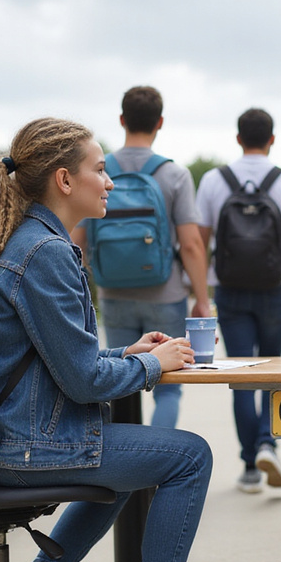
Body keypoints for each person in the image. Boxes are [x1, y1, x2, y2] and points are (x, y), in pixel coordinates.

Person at [0, 117, 240, 562]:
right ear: (64, 180)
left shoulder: (27, 241)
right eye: (99, 170)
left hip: (5, 440)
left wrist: (126, 356)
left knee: (138, 452)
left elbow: (58, 359)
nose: (110, 182)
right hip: (22, 446)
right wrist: (151, 365)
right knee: (188, 456)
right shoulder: (46, 253)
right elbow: (80, 380)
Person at [196, 107, 281, 494]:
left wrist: (199, 294)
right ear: (272, 139)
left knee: (243, 377)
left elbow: (198, 242)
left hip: (229, 288)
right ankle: (268, 442)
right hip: (277, 288)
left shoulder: (215, 181)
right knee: (272, 370)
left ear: (237, 138)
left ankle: (250, 467)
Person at [71, 86, 210, 428]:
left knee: (120, 382)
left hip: (114, 292)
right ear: (159, 123)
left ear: (122, 120)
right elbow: (191, 244)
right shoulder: (174, 174)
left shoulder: (100, 171)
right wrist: (203, 299)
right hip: (166, 293)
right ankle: (160, 467)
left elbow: (77, 238)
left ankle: (127, 473)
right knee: (169, 389)